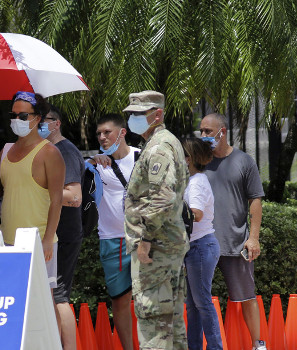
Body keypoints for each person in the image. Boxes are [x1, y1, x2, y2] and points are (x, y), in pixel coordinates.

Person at [123, 90, 189, 350]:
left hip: (157, 248)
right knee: (171, 324)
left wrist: (146, 239)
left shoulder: (159, 146)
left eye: (139, 114)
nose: (133, 120)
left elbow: (162, 199)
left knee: (155, 322)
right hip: (166, 245)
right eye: (131, 115)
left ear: (157, 114)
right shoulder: (161, 143)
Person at [199, 113, 266, 350]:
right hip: (201, 243)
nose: (204, 135)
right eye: (202, 131)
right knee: (197, 299)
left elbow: (255, 200)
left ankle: (258, 344)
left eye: (209, 131)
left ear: (222, 131)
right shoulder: (198, 162)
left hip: (235, 242)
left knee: (247, 296)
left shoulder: (243, 161)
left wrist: (253, 238)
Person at [0, 91, 65, 285]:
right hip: (7, 240)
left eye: (23, 116)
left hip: (38, 241)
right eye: (13, 115)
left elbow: (57, 200)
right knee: (12, 301)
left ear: (37, 118)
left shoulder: (50, 152)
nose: (17, 120)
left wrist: (47, 240)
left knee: (44, 302)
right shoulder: (5, 150)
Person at [87, 113, 140, 350]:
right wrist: (92, 161)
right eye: (99, 133)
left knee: (151, 300)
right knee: (120, 301)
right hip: (112, 241)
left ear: (122, 132)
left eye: (107, 132)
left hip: (144, 241)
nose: (102, 137)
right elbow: (75, 170)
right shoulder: (96, 164)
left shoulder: (142, 158)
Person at [40, 104, 84, 350]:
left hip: (64, 234)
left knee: (59, 298)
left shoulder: (64, 151)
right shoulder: (50, 151)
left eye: (43, 120)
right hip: (55, 234)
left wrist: (40, 189)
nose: (38, 124)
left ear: (56, 123)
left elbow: (74, 196)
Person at [182, 137, 223, 350]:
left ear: (187, 159)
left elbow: (196, 214)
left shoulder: (197, 182)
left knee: (202, 303)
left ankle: (215, 346)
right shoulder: (194, 180)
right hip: (197, 247)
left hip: (200, 246)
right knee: (194, 305)